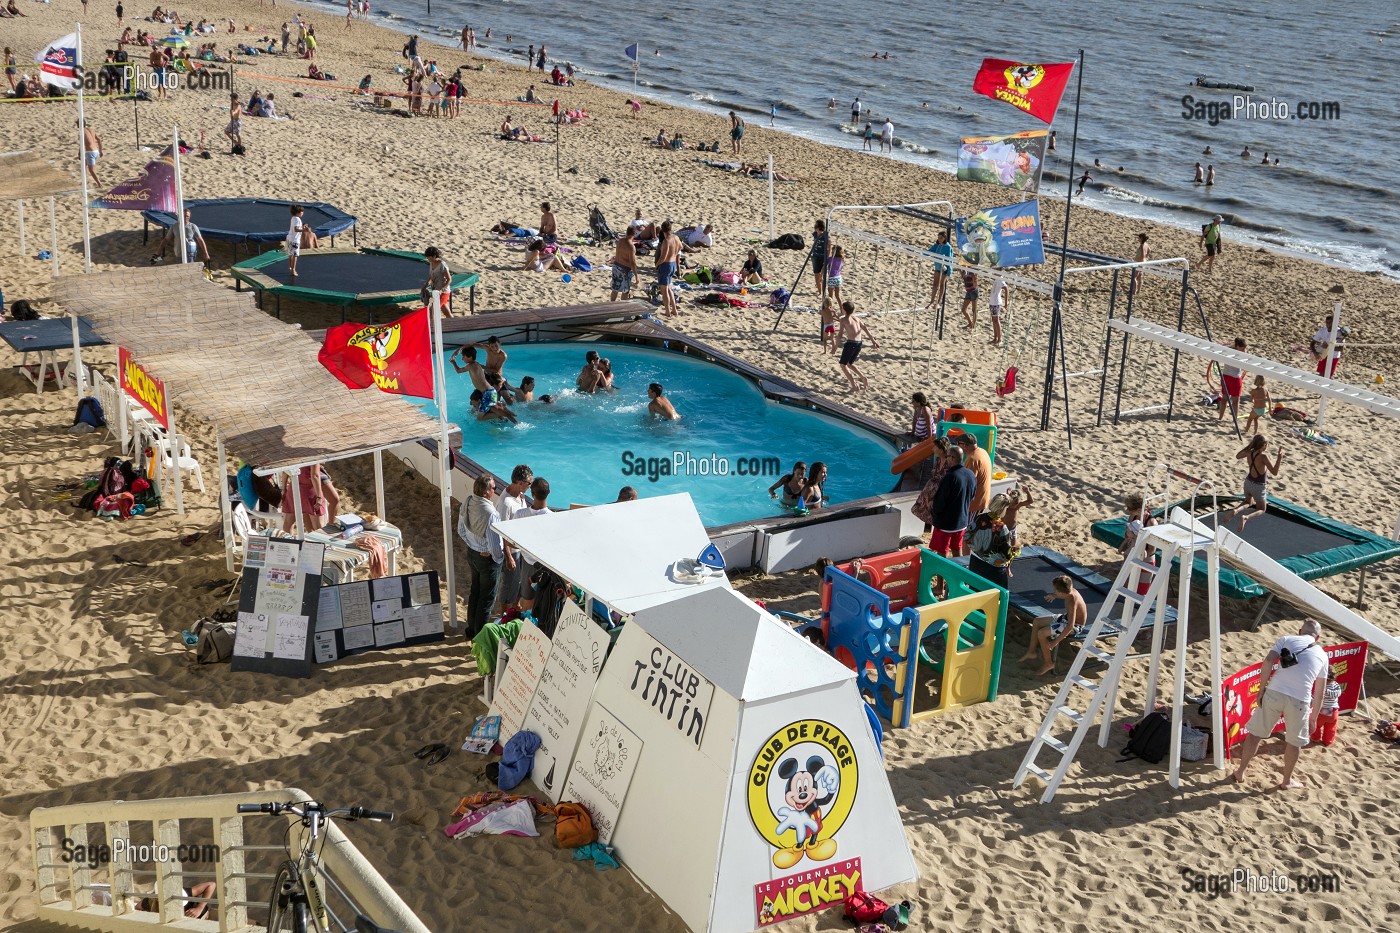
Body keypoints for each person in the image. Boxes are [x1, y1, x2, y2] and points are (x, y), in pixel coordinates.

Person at [1232, 620, 1329, 789]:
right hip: (1300, 700)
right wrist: (1313, 718)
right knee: (1294, 743)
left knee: (1255, 734)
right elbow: (1320, 692)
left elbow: (1268, 661)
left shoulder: (1287, 639)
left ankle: (1240, 771)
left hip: (1275, 692)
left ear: (1300, 631)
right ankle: (1286, 781)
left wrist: (1261, 690)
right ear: (1318, 637)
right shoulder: (1322, 654)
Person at [458, 474, 505, 637]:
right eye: (493, 488)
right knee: (486, 599)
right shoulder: (491, 513)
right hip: (487, 559)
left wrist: (473, 545)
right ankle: (479, 636)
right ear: (486, 492)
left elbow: (461, 531)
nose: (495, 490)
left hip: (472, 554)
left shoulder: (468, 502)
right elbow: (495, 545)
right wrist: (497, 558)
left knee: (475, 592)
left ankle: (471, 630)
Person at [968, 487, 1033, 590]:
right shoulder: (1001, 528)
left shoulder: (979, 517)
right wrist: (1017, 550)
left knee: (974, 591)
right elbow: (1007, 555)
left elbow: (967, 537)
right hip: (993, 568)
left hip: (975, 561)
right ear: (1004, 509)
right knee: (997, 598)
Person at [492, 464, 533, 615]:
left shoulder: (520, 495)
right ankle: (504, 614)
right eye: (529, 483)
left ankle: (515, 608)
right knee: (509, 584)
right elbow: (500, 532)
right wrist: (508, 556)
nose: (530, 486)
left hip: (520, 548)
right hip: (511, 550)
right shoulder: (505, 503)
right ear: (520, 483)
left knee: (519, 583)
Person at [1027, 575, 1087, 675]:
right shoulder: (1070, 591)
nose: (1054, 591)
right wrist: (1054, 596)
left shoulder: (1072, 601)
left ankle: (1048, 663)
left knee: (1042, 633)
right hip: (1065, 618)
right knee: (1037, 621)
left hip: (1076, 626)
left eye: (1055, 591)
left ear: (1061, 592)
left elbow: (1070, 626)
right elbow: (1063, 594)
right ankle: (1031, 652)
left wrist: (1055, 642)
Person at [1226, 434, 1282, 531]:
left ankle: (1236, 510)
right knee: (1262, 509)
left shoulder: (1249, 452)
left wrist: (1249, 447)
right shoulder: (1263, 456)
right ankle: (1246, 517)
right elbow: (1275, 472)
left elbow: (1237, 456)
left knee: (1248, 501)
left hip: (1248, 483)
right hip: (1258, 486)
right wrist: (1279, 458)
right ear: (1263, 445)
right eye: (1266, 444)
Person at [927, 446, 975, 557]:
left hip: (946, 524)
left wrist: (935, 515)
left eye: (947, 456)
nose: (946, 459)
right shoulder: (971, 475)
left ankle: (941, 575)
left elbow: (940, 502)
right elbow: (972, 497)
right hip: (962, 521)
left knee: (942, 553)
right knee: (957, 550)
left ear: (952, 458)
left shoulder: (950, 477)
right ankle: (957, 573)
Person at [952, 432, 991, 549]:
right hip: (983, 498)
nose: (958, 447)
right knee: (972, 531)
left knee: (966, 534)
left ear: (965, 445)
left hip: (974, 502)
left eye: (959, 444)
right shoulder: (982, 452)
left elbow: (968, 482)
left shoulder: (972, 459)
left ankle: (965, 560)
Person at [837, 300, 879, 392]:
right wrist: (873, 341)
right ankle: (863, 377)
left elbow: (840, 334)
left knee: (843, 365)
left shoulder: (843, 319)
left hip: (851, 343)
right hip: (859, 343)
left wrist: (835, 346)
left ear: (844, 310)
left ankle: (854, 385)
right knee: (849, 364)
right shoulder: (856, 318)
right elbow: (865, 329)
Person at [1209, 336, 1247, 422]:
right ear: (1237, 346)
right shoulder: (1240, 354)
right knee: (1234, 400)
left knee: (1225, 399)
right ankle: (1231, 419)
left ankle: (1221, 418)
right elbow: (1245, 366)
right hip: (1234, 379)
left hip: (1226, 377)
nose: (1244, 349)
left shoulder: (1228, 351)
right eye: (1243, 347)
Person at [280, 463, 328, 532]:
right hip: (309, 490)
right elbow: (315, 476)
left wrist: (284, 489)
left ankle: (289, 541)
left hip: (294, 487)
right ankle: (320, 542)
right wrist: (319, 496)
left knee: (288, 524)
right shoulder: (312, 454)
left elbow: (285, 472)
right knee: (318, 528)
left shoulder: (291, 452)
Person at [1311, 666, 1343, 747]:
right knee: (1331, 727)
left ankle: (1315, 738)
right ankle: (1328, 741)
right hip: (1333, 711)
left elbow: (1316, 697)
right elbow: (1339, 693)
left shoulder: (1321, 687)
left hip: (1322, 711)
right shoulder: (1336, 685)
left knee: (1317, 725)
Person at [655, 221, 682, 317]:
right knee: (669, 287)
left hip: (666, 265)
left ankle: (667, 311)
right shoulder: (676, 237)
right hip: (673, 263)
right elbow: (681, 247)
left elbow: (663, 257)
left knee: (664, 289)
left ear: (662, 230)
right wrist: (673, 253)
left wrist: (657, 265)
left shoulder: (666, 241)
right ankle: (674, 309)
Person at [1311, 312, 1345, 377]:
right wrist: (1315, 353)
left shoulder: (1340, 333)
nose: (1328, 325)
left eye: (1330, 323)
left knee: (1328, 377)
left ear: (1334, 323)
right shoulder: (1322, 331)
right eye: (1327, 323)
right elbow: (1312, 343)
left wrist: (1329, 347)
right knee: (1321, 375)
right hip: (1324, 355)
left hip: (1334, 356)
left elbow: (1340, 348)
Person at [422, 245, 452, 316]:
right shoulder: (431, 263)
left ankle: (432, 326)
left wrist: (442, 290)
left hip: (443, 292)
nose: (427, 258)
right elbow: (431, 276)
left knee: (433, 309)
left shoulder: (442, 265)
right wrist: (426, 285)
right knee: (445, 311)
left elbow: (449, 279)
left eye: (428, 257)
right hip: (435, 290)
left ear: (434, 256)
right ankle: (454, 321)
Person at [926, 231, 953, 308]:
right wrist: (921, 253)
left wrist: (949, 273)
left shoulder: (948, 247)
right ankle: (931, 302)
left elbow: (950, 260)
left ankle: (938, 302)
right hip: (937, 267)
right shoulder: (937, 245)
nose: (940, 239)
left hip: (944, 269)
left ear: (944, 238)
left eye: (941, 238)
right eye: (939, 238)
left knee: (942, 285)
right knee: (935, 284)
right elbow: (929, 251)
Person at [610, 234, 637, 300]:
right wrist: (636, 276)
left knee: (615, 289)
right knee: (625, 291)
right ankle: (623, 308)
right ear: (633, 234)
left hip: (616, 266)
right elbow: (632, 262)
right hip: (625, 269)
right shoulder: (631, 246)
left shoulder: (620, 241)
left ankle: (611, 304)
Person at [284, 204, 306, 278]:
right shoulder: (297, 219)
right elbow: (296, 229)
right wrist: (304, 229)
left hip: (290, 238)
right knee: (295, 255)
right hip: (295, 240)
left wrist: (302, 227)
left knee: (290, 254)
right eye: (302, 212)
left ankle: (290, 267)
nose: (303, 213)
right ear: (298, 212)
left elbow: (295, 228)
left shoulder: (293, 218)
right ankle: (293, 269)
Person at [811, 219, 830, 296]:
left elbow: (829, 247)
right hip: (815, 256)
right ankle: (820, 292)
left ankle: (822, 292)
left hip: (823, 257)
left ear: (818, 228)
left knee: (821, 275)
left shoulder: (826, 236)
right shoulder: (815, 234)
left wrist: (827, 258)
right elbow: (814, 243)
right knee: (816, 274)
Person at [986, 273, 1006, 346]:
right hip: (992, 302)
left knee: (996, 320)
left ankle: (999, 339)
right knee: (994, 320)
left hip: (996, 303)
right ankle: (995, 338)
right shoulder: (996, 278)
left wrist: (1006, 303)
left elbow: (1006, 288)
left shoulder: (1000, 279)